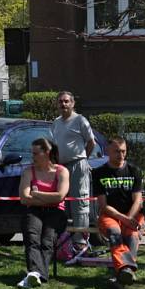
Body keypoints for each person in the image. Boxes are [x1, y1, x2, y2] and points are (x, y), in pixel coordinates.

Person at [93, 137, 145, 289]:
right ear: (107, 151)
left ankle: (121, 275)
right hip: (110, 215)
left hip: (133, 214)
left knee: (132, 235)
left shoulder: (134, 171)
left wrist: (129, 219)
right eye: (117, 151)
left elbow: (138, 200)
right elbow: (103, 205)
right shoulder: (99, 173)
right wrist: (124, 219)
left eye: (123, 151)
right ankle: (126, 270)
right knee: (115, 232)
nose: (121, 155)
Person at [16, 138, 70, 288]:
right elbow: (23, 198)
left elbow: (60, 196)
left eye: (35, 153)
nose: (32, 156)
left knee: (47, 241)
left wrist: (36, 194)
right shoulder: (28, 171)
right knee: (32, 237)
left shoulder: (62, 171)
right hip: (33, 211)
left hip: (56, 212)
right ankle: (36, 274)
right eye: (31, 153)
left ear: (47, 153)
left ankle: (36, 274)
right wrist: (48, 199)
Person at [51, 91, 96, 255]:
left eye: (66, 101)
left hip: (78, 165)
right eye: (60, 102)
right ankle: (63, 240)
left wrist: (83, 160)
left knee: (80, 203)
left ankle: (80, 241)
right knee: (62, 203)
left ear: (72, 103)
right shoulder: (55, 123)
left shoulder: (80, 120)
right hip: (61, 167)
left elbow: (91, 142)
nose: (63, 105)